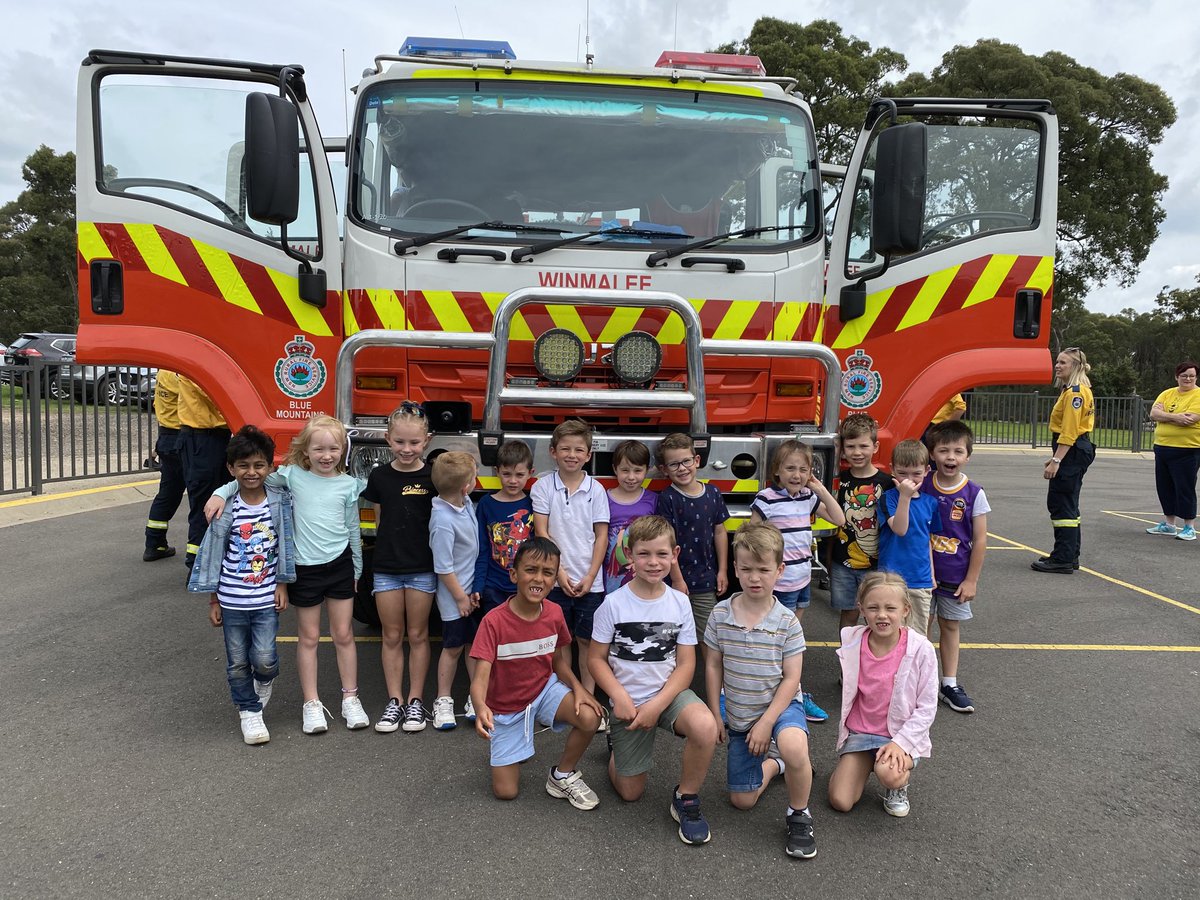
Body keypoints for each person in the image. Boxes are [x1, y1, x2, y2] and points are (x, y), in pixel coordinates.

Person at [207, 415, 367, 735]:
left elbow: (353, 528)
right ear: (305, 451)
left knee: (343, 635)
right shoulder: (292, 476)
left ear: (343, 450)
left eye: (334, 448)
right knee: (308, 638)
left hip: (340, 566)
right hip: (304, 569)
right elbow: (251, 477)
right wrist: (220, 493)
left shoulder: (350, 485)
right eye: (318, 449)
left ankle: (351, 698)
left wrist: (358, 568)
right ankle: (311, 703)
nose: (326, 455)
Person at [588, 515, 719, 846]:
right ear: (629, 556)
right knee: (630, 793)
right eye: (644, 554)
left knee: (706, 727)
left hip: (668, 696)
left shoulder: (679, 602)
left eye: (662, 554)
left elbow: (687, 663)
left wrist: (657, 705)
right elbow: (595, 659)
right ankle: (618, 747)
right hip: (629, 699)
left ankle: (686, 798)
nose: (653, 562)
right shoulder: (612, 605)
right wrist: (619, 696)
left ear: (674, 554)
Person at [704, 522, 817, 859]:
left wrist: (767, 723)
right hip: (740, 716)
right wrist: (715, 712)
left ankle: (799, 814)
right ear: (735, 568)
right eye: (747, 569)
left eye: (764, 569)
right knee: (741, 801)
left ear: (779, 570)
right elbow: (712, 665)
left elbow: (792, 678)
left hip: (780, 710)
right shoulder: (721, 614)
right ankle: (776, 765)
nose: (755, 577)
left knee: (794, 745)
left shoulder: (787, 621)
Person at [469, 537, 604, 808]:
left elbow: (558, 661)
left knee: (590, 716)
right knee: (506, 792)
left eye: (548, 573)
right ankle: (514, 738)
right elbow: (480, 677)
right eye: (531, 570)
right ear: (514, 574)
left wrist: (579, 689)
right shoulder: (493, 622)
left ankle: (562, 775)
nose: (539, 579)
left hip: (543, 691)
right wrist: (480, 705)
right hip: (506, 709)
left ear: (555, 579)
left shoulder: (554, 614)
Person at [189, 426, 294, 744]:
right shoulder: (224, 510)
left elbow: (284, 548)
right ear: (231, 469)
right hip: (231, 600)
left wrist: (282, 584)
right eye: (244, 466)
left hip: (264, 599)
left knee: (264, 658)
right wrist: (213, 600)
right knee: (237, 661)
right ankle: (249, 713)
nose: (252, 472)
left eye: (259, 465)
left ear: (269, 466)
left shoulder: (279, 500)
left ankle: (264, 681)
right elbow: (212, 557)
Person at [749, 439, 845, 723]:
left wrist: (821, 490)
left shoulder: (808, 497)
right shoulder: (767, 498)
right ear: (777, 470)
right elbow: (753, 538)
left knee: (791, 640)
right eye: (790, 468)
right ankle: (791, 695)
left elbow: (838, 518)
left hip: (802, 580)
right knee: (783, 642)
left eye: (804, 469)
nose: (797, 475)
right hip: (780, 585)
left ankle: (787, 692)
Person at [828, 572, 938, 818]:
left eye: (891, 608)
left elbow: (927, 706)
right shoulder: (854, 642)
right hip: (861, 732)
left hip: (898, 734)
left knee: (889, 773)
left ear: (906, 610)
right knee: (840, 801)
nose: (882, 615)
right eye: (873, 607)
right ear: (861, 609)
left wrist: (901, 742)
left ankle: (897, 785)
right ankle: (861, 764)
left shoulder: (921, 649)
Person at [362, 401, 437, 733]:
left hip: (422, 567)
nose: (407, 449)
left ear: (427, 441)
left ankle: (416, 701)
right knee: (391, 635)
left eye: (415, 443)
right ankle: (395, 702)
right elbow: (380, 520)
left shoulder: (434, 476)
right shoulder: (379, 476)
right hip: (387, 568)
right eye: (400, 442)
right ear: (387, 439)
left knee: (418, 635)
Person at [531, 419, 609, 694]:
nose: (572, 455)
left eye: (578, 450)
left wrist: (590, 576)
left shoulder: (597, 490)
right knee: (559, 641)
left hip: (591, 583)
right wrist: (559, 574)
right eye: (565, 449)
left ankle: (587, 696)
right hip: (555, 580)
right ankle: (565, 697)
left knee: (588, 641)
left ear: (588, 455)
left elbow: (602, 536)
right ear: (553, 452)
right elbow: (542, 533)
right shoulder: (542, 487)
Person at [924, 421, 990, 714]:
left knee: (949, 626)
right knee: (918, 629)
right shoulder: (923, 484)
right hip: (922, 576)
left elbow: (979, 540)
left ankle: (948, 683)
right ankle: (920, 680)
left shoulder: (974, 493)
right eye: (944, 450)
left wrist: (972, 580)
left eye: (958, 451)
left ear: (967, 456)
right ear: (932, 453)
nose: (951, 456)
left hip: (955, 577)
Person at [655, 433, 729, 644]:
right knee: (669, 636)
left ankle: (712, 677)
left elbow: (720, 531)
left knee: (709, 636)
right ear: (664, 469)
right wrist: (677, 579)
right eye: (674, 464)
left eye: (686, 461)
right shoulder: (668, 498)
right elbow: (666, 542)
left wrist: (722, 570)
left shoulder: (713, 493)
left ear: (696, 460)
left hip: (705, 579)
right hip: (672, 580)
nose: (682, 468)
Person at [1032, 347, 1096, 573]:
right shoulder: (1075, 390)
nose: (1057, 366)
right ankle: (1068, 554)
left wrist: (1056, 460)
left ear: (1075, 366)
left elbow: (1069, 431)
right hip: (1075, 449)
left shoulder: (1075, 393)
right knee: (1068, 503)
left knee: (1061, 503)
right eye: (1057, 362)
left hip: (1072, 449)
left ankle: (1063, 559)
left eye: (1063, 363)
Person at [429, 451, 481, 730]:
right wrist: (460, 597)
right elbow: (443, 567)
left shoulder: (465, 503)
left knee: (474, 646)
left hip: (471, 593)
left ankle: (476, 696)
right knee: (452, 647)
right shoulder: (442, 521)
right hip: (455, 599)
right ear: (466, 485)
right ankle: (444, 699)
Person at [829, 414, 894, 631]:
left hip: (877, 566)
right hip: (843, 563)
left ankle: (872, 661)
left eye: (863, 446)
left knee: (876, 616)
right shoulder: (839, 481)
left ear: (875, 446)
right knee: (848, 613)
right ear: (842, 448)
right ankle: (848, 661)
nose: (857, 452)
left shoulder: (887, 483)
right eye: (851, 446)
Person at [878, 440, 941, 635]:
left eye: (916, 473)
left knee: (917, 637)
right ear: (892, 470)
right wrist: (904, 497)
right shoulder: (888, 498)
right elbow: (900, 529)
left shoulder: (930, 503)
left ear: (926, 470)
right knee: (887, 634)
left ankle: (915, 668)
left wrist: (931, 573)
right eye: (903, 473)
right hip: (890, 579)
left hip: (919, 580)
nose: (909, 479)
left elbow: (926, 541)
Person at [474, 439, 535, 615]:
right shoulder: (486, 504)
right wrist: (478, 585)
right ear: (497, 472)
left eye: (519, 475)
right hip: (494, 586)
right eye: (507, 474)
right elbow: (482, 548)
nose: (513, 481)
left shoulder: (533, 503)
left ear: (530, 473)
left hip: (525, 584)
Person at [177, 374, 231, 568]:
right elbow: (216, 394)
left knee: (220, 499)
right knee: (203, 503)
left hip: (212, 438)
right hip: (202, 439)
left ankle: (210, 560)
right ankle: (197, 566)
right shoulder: (195, 369)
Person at [1145, 361, 1200, 541]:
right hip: (1162, 447)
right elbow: (1153, 414)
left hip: (1187, 449)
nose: (1188, 379)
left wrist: (1165, 416)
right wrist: (1175, 417)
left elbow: (1190, 419)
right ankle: (1169, 524)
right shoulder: (1167, 393)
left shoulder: (1198, 395)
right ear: (1177, 377)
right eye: (1184, 375)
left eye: (1192, 375)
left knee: (1184, 487)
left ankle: (1189, 527)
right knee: (1165, 487)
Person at [604, 439, 658, 594]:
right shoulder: (603, 499)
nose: (631, 477)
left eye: (637, 470)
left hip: (645, 571)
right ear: (615, 469)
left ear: (647, 470)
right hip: (611, 575)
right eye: (625, 470)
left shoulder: (653, 500)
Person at [143, 369, 185, 561]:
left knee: (168, 494)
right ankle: (200, 552)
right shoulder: (177, 374)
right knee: (200, 495)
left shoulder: (163, 373)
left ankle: (154, 543)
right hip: (184, 437)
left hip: (167, 437)